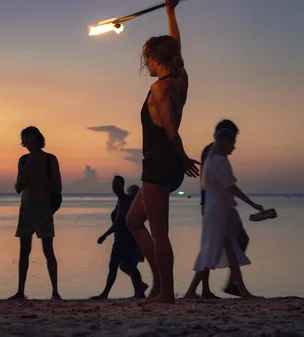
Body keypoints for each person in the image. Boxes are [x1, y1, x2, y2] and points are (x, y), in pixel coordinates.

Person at [126, 0, 201, 304]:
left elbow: (170, 130)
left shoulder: (160, 90)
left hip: (160, 163)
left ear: (157, 59)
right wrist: (170, 12)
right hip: (163, 164)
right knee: (133, 221)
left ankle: (166, 293)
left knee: (159, 231)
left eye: (149, 59)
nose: (147, 64)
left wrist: (183, 159)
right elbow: (177, 50)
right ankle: (158, 285)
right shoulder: (180, 79)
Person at [184, 120, 263, 299]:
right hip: (219, 210)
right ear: (225, 141)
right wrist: (252, 204)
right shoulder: (219, 160)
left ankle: (202, 290)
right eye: (233, 143)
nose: (234, 147)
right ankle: (237, 290)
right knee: (216, 248)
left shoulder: (212, 158)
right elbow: (230, 186)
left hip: (216, 209)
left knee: (222, 247)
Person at [9, 126, 62, 300]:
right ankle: (20, 292)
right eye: (25, 141)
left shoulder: (50, 160)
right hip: (26, 208)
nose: (28, 144)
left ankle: (55, 292)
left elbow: (57, 187)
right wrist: (23, 179)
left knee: (48, 250)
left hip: (43, 208)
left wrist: (39, 177)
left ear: (39, 140)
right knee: (24, 251)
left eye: (31, 140)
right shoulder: (23, 160)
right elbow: (17, 188)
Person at [92, 178, 148, 299]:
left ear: (121, 185)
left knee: (122, 266)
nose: (113, 186)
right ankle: (140, 290)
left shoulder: (125, 201)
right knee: (126, 266)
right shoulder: (121, 200)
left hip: (125, 241)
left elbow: (119, 222)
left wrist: (104, 235)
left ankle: (107, 293)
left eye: (115, 184)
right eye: (113, 184)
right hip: (122, 240)